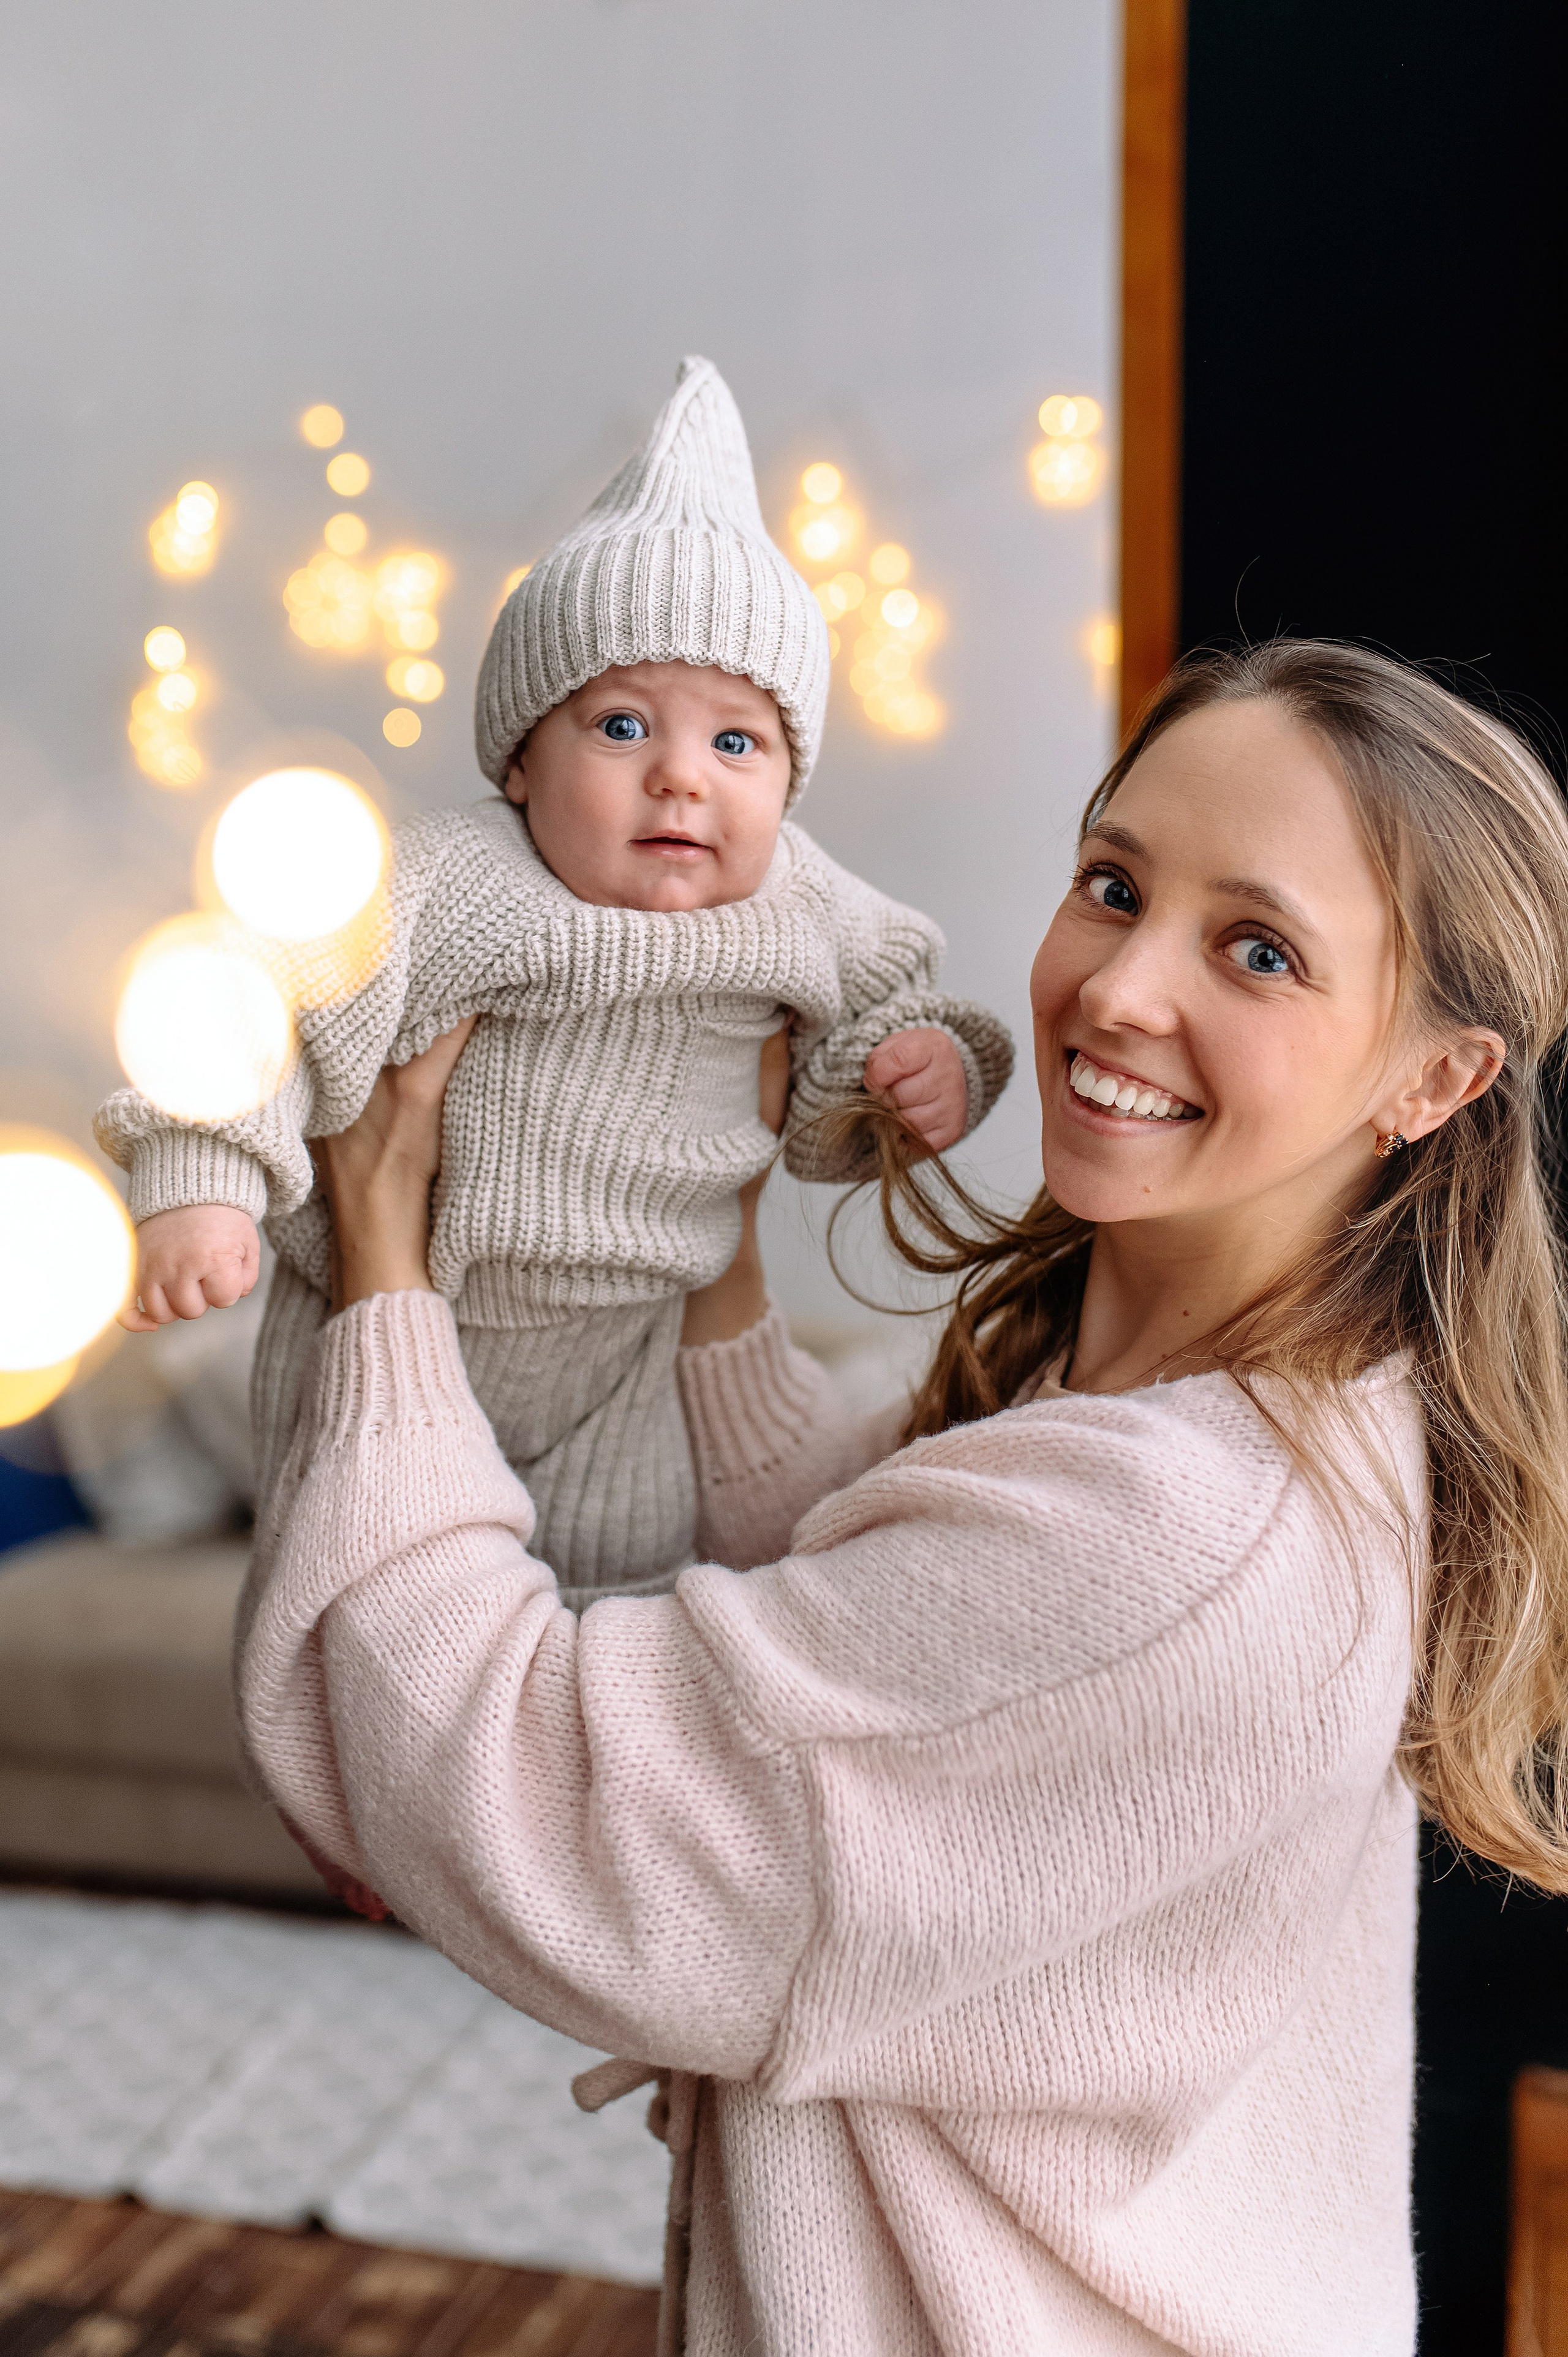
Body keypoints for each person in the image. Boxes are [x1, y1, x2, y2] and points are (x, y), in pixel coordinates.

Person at [238, 641, 1568, 2355]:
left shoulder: (1179, 1531)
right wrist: (712, 1231)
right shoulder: (1246, 1407)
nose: (1119, 991)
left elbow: (525, 1778)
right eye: (1113, 885)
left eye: (1258, 951)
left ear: (1435, 1079)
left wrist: (381, 1263)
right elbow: (877, 1611)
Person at [94, 358, 1011, 1596]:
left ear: (786, 784)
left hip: (627, 1359)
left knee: (611, 1597)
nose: (682, 774)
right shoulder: (452, 878)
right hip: (400, 1317)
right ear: (519, 762)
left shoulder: (802, 900)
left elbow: (890, 1009)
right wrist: (198, 1183)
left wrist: (927, 1069)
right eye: (623, 726)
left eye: (735, 740)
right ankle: (174, 1446)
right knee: (352, 1575)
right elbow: (261, 992)